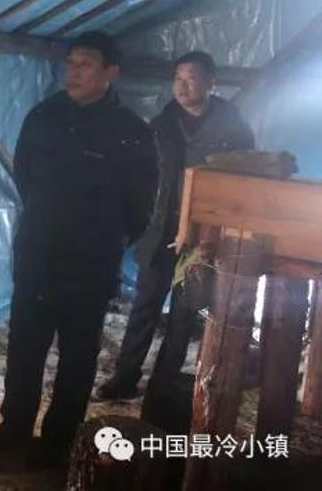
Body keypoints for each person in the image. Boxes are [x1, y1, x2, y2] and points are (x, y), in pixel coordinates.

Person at [0, 31, 158, 467]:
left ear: (111, 73)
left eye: (85, 64)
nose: (73, 72)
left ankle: (59, 438)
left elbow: (141, 204)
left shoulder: (131, 133)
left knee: (78, 353)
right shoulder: (43, 117)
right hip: (39, 252)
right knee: (25, 343)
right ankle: (14, 426)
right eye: (71, 63)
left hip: (91, 261)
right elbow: (25, 177)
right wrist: (46, 222)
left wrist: (108, 240)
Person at [97, 51, 255, 401]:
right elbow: (140, 179)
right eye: (178, 79)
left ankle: (163, 383)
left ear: (211, 82)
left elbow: (244, 182)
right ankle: (124, 377)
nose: (182, 87)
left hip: (204, 234)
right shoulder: (160, 127)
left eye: (191, 78)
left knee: (185, 311)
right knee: (145, 306)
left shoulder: (235, 131)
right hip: (161, 230)